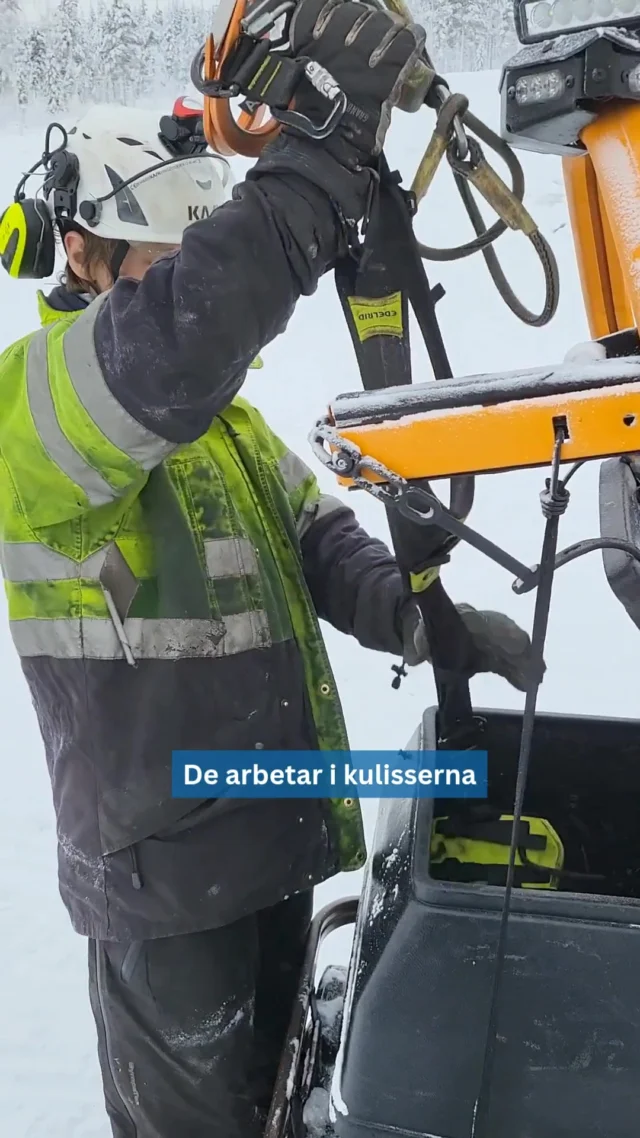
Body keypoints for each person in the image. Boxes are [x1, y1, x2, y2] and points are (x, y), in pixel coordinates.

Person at [0, 2, 536, 1135]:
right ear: (83, 253)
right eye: (160, 256)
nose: (177, 282)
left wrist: (415, 617)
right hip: (163, 888)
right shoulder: (32, 406)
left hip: (271, 837)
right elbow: (182, 336)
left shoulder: (222, 426)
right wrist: (309, 171)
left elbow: (315, 539)